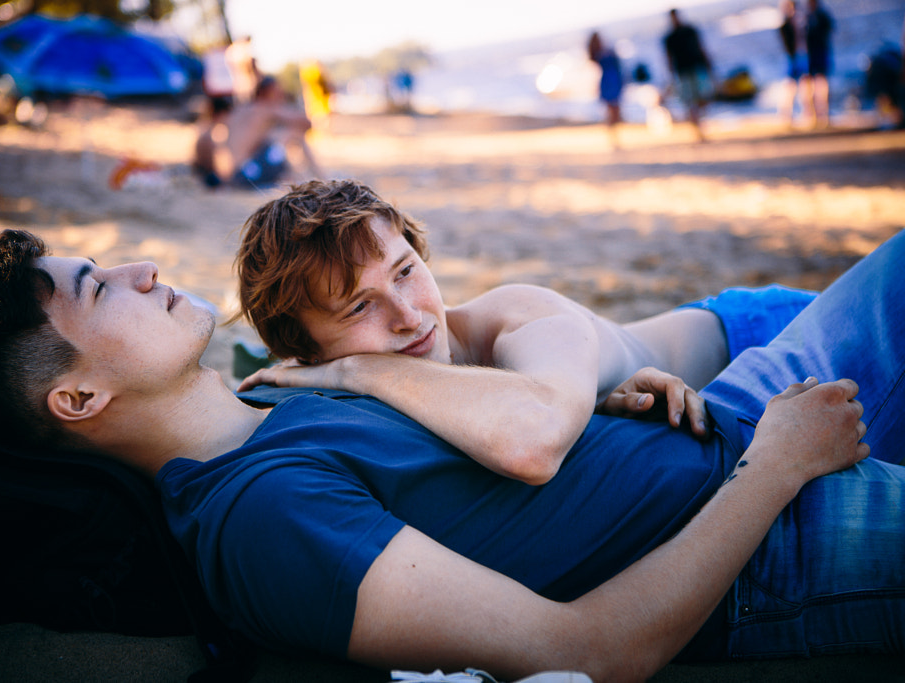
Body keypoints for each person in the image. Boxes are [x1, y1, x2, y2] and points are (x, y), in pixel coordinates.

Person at [0, 228, 902, 682]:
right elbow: (590, 651)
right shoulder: (259, 518)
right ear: (78, 396)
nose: (141, 265)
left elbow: (472, 457)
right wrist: (770, 469)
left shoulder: (270, 393)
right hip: (774, 541)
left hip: (726, 415)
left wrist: (611, 401)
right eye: (98, 285)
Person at [235, 181, 819, 477]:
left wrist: (355, 365)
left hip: (758, 336)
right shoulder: (348, 396)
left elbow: (534, 442)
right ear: (302, 350)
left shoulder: (515, 318)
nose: (409, 317)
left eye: (406, 272)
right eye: (359, 308)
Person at [191, 76, 324, 190]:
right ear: (267, 92)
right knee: (292, 134)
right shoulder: (266, 109)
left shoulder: (241, 109)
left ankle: (311, 178)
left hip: (225, 176)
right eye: (278, 91)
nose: (281, 95)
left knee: (275, 137)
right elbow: (307, 124)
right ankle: (322, 179)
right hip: (244, 176)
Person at [662, 8, 713, 141]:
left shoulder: (690, 31)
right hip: (683, 71)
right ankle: (697, 129)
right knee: (690, 100)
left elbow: (701, 47)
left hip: (696, 66)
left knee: (703, 97)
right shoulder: (670, 38)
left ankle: (699, 123)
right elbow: (668, 58)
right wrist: (671, 75)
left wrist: (708, 64)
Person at [587, 31, 624, 147]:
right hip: (609, 82)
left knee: (615, 109)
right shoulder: (598, 54)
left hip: (613, 81)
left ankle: (614, 135)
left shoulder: (604, 52)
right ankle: (613, 136)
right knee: (611, 110)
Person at [802, 0, 835, 128]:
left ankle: (823, 114)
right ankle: (812, 114)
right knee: (809, 84)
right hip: (809, 55)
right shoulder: (807, 17)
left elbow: (828, 30)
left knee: (821, 82)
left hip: (819, 53)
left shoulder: (820, 16)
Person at [777, 0, 806, 127]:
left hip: (800, 57)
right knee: (791, 87)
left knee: (804, 85)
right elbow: (789, 45)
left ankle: (805, 113)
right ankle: (786, 115)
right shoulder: (785, 26)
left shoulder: (800, 23)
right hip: (792, 58)